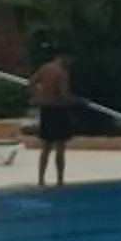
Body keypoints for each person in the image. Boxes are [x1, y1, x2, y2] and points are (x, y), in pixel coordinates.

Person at [30, 51, 76, 187]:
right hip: (58, 110)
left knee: (46, 147)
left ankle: (41, 179)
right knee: (60, 147)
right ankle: (60, 180)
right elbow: (63, 95)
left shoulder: (45, 68)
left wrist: (37, 96)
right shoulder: (62, 73)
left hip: (46, 109)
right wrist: (74, 101)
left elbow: (31, 83)